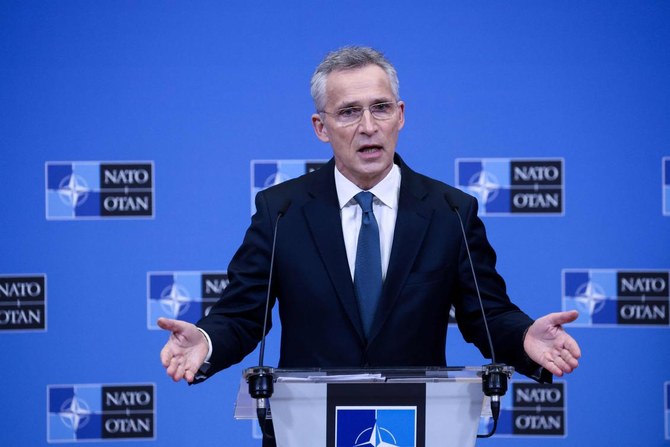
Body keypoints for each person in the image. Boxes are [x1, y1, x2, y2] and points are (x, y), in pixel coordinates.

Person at [159, 46, 580, 396]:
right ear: (321, 127)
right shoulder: (281, 211)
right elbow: (243, 313)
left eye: (380, 108)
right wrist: (207, 341)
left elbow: (486, 314)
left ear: (401, 115)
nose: (368, 127)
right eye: (348, 112)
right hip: (307, 428)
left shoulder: (450, 211)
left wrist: (524, 337)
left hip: (415, 424)